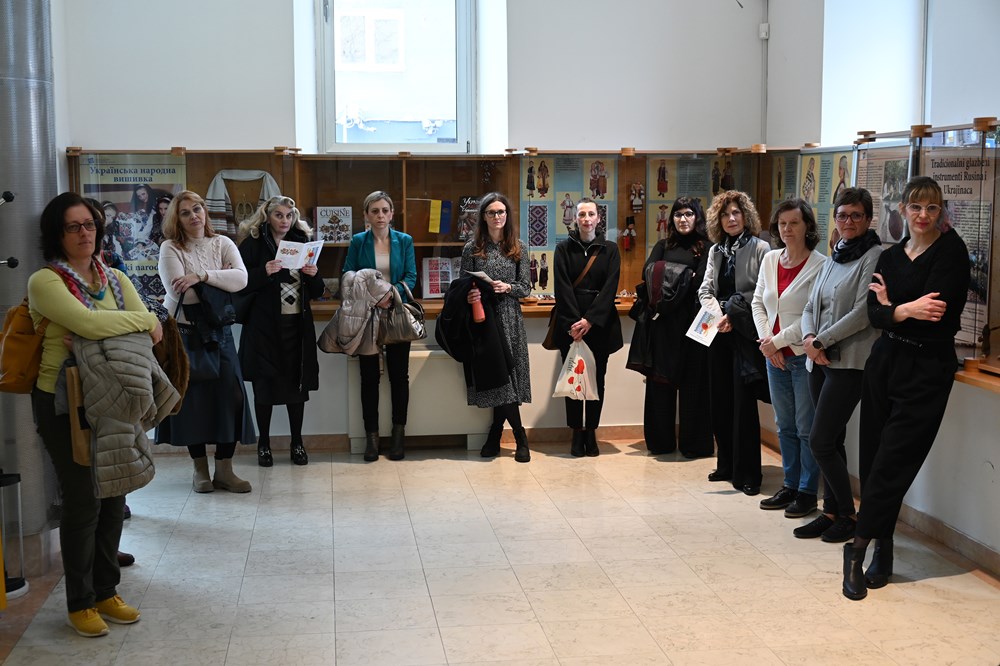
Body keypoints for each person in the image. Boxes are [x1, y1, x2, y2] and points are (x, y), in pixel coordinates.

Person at [28, 193, 164, 637]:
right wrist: (134, 324)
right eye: (73, 227)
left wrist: (117, 328)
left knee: (113, 496)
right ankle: (80, 602)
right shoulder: (45, 281)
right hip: (63, 401)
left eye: (89, 224)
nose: (84, 233)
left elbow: (152, 330)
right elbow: (94, 324)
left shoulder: (115, 278)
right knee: (83, 500)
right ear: (57, 235)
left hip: (114, 397)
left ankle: (107, 592)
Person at [843, 176, 969, 600]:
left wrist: (893, 308)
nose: (923, 215)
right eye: (916, 207)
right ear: (902, 209)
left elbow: (939, 315)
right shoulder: (891, 256)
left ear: (941, 211)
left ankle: (856, 550)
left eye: (932, 208)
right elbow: (873, 314)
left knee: (892, 463)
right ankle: (885, 545)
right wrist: (906, 309)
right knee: (874, 457)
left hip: (927, 368)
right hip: (885, 361)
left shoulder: (951, 252)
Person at [156, 190, 256, 493]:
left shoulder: (222, 243)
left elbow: (241, 280)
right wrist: (220, 279)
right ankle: (199, 470)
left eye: (197, 209)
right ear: (177, 218)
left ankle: (224, 470)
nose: (194, 216)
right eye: (185, 212)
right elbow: (180, 294)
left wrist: (200, 276)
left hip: (220, 333)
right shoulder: (170, 247)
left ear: (205, 211)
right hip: (185, 336)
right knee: (193, 404)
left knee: (232, 398)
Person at [796, 187, 882, 543]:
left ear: (868, 219)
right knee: (833, 440)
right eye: (842, 215)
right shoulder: (835, 255)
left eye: (856, 215)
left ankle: (848, 514)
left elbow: (862, 313)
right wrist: (808, 338)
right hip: (819, 359)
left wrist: (820, 341)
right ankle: (831, 511)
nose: (848, 221)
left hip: (850, 363)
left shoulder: (874, 256)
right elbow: (809, 306)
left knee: (820, 441)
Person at [751, 199, 827, 517]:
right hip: (774, 357)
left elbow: (813, 314)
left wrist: (778, 342)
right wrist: (768, 344)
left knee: (806, 427)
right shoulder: (770, 259)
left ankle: (807, 492)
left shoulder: (820, 265)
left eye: (794, 223)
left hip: (800, 356)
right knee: (784, 426)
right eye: (782, 223)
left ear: (807, 226)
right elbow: (758, 302)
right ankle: (790, 485)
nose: (787, 229)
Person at [236, 196, 324, 467]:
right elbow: (239, 283)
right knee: (264, 388)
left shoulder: (302, 241)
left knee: (296, 389)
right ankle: (263, 444)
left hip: (295, 328)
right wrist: (263, 272)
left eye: (289, 215)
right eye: (279, 215)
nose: (284, 221)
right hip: (264, 329)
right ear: (267, 216)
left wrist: (314, 275)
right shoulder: (252, 243)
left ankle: (297, 443)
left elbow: (318, 291)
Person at [698, 190, 770, 494]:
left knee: (743, 404)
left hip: (744, 332)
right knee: (720, 401)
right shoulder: (716, 250)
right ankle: (726, 464)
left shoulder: (761, 248)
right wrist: (719, 315)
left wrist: (732, 314)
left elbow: (762, 291)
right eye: (725, 214)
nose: (731, 218)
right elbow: (705, 290)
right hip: (718, 331)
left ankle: (748, 473)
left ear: (746, 216)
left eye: (736, 213)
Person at [632, 196, 713, 457]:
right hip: (664, 326)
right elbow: (647, 274)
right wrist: (684, 276)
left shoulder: (708, 247)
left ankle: (694, 445)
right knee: (660, 385)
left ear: (697, 217)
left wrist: (666, 273)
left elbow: (701, 283)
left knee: (695, 386)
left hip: (695, 326)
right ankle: (660, 443)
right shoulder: (663, 245)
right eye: (678, 214)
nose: (683, 219)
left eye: (688, 213)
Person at [343, 191, 417, 461]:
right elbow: (348, 274)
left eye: (385, 210)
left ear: (392, 213)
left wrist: (389, 295)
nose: (380, 216)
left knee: (399, 377)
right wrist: (374, 297)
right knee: (369, 378)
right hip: (367, 316)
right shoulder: (358, 241)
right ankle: (371, 438)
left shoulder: (404, 241)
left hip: (396, 313)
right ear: (366, 215)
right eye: (374, 211)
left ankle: (398, 436)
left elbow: (411, 276)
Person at [462, 192, 532, 462]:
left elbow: (526, 288)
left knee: (510, 379)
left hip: (510, 319)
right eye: (491, 212)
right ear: (483, 216)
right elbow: (462, 286)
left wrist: (508, 287)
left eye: (501, 211)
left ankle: (500, 435)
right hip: (484, 321)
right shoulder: (472, 248)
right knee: (498, 378)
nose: (497, 216)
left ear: (507, 215)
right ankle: (515, 436)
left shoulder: (518, 247)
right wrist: (470, 294)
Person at [552, 197, 623, 457]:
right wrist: (575, 323)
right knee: (573, 380)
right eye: (581, 214)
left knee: (596, 380)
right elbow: (561, 288)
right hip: (570, 325)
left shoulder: (610, 250)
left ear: (598, 218)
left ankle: (591, 431)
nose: (586, 219)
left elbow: (610, 288)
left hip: (599, 325)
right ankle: (576, 432)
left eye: (591, 214)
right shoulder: (563, 249)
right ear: (575, 218)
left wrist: (590, 320)